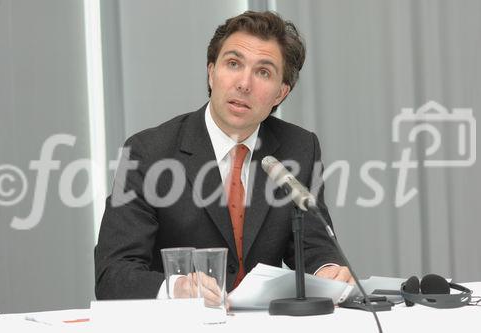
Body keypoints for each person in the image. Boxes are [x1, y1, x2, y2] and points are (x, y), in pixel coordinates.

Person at [95, 11, 354, 302]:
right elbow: (113, 274)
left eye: (263, 72)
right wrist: (176, 288)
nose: (244, 83)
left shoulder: (299, 148)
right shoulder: (148, 153)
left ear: (281, 93)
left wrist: (327, 270)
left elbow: (313, 245)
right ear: (211, 72)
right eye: (233, 64)